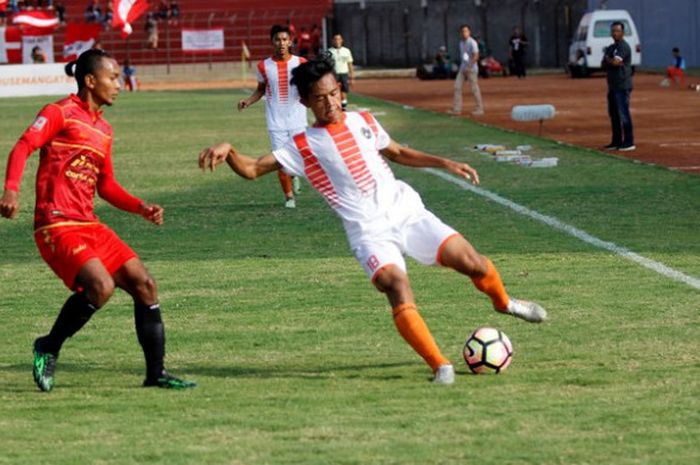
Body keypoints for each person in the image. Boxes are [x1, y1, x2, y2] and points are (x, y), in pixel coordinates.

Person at [198, 55, 547, 385]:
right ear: (305, 102)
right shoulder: (302, 145)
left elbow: (396, 152)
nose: (331, 103)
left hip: (406, 212)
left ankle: (505, 303)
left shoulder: (363, 120)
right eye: (321, 98)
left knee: (473, 263)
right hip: (369, 232)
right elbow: (253, 168)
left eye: (335, 93)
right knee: (397, 287)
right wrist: (228, 150)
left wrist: (445, 162)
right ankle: (441, 366)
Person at [0, 49, 195, 392]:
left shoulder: (103, 129)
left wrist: (140, 207)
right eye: (113, 77)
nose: (118, 84)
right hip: (55, 223)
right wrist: (12, 191)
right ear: (90, 81)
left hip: (88, 224)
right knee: (101, 286)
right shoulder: (58, 113)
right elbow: (22, 147)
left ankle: (156, 374)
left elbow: (105, 185)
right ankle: (48, 346)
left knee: (144, 284)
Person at [237, 24, 307, 209]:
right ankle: (289, 196)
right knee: (281, 160)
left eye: (285, 39)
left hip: (298, 119)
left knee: (299, 157)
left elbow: (309, 88)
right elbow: (260, 90)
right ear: (272, 42)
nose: (281, 43)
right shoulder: (263, 66)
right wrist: (248, 101)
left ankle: (294, 175)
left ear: (290, 41)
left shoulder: (301, 63)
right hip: (276, 121)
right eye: (278, 40)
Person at [602, 21, 634, 151]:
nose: (615, 33)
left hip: (622, 85)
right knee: (614, 114)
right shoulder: (612, 47)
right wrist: (610, 61)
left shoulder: (623, 47)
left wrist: (610, 60)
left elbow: (615, 62)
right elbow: (604, 63)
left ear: (623, 32)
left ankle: (629, 142)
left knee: (623, 114)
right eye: (613, 31)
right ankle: (616, 141)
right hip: (612, 85)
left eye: (617, 31)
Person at [451, 24, 484, 116]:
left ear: (469, 32)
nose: (464, 33)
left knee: (474, 88)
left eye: (466, 31)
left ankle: (479, 108)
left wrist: (469, 66)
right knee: (457, 87)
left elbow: (476, 55)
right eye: (462, 31)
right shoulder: (461, 43)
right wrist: (464, 66)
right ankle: (456, 109)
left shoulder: (472, 42)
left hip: (471, 69)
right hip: (463, 68)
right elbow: (464, 55)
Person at [328, 34, 354, 111]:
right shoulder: (329, 51)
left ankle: (343, 108)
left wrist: (352, 77)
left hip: (344, 73)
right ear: (332, 41)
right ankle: (335, 106)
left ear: (342, 40)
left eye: (339, 39)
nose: (337, 41)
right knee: (334, 92)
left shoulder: (346, 51)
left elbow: (350, 64)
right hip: (333, 75)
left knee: (344, 91)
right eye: (335, 39)